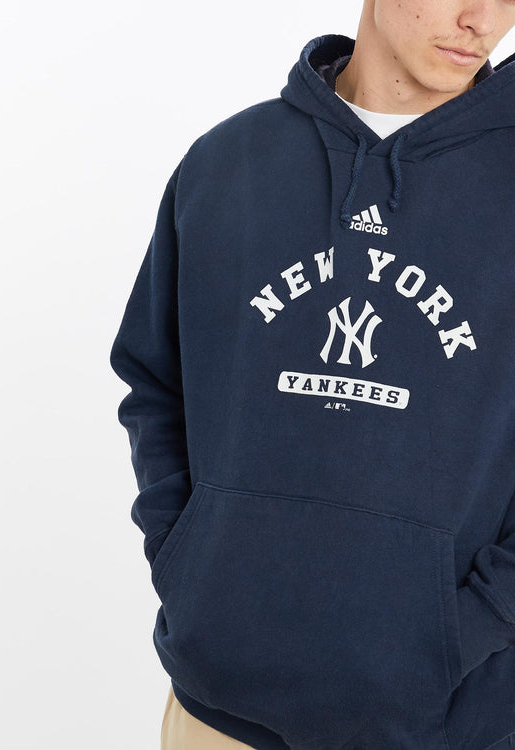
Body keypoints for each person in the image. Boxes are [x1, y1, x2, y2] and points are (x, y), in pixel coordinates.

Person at [109, 1, 515, 748]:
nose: (482, 20)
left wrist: (469, 628)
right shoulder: (228, 164)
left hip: (445, 724)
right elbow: (155, 381)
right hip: (217, 712)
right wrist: (191, 564)